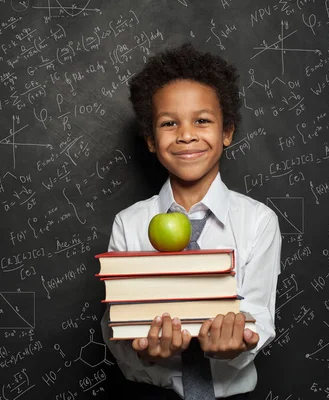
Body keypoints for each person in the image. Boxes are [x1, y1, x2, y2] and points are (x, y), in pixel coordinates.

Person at [101, 42, 282, 399]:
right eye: (170, 123)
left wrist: (239, 342)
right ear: (151, 140)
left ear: (227, 132)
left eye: (202, 120)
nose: (186, 134)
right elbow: (114, 322)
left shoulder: (258, 221)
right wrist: (143, 352)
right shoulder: (129, 224)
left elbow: (259, 314)